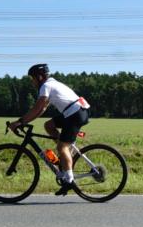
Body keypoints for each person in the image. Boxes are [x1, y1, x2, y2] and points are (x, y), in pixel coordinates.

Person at [9, 63, 90, 196]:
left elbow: (37, 108)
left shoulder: (46, 86)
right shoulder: (51, 84)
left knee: (61, 147)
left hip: (75, 114)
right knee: (49, 126)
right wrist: (24, 121)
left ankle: (69, 180)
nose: (32, 82)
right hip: (75, 111)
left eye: (32, 79)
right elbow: (41, 109)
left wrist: (20, 122)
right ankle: (66, 154)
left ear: (39, 77)